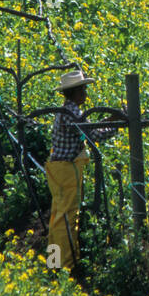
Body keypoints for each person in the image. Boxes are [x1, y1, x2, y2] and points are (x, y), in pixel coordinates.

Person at [45, 68, 118, 273]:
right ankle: (66, 266)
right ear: (75, 92)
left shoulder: (67, 111)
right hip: (66, 169)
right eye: (83, 89)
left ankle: (54, 263)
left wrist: (111, 120)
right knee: (67, 218)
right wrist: (116, 124)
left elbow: (87, 128)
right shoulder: (72, 112)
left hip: (57, 167)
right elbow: (93, 135)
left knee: (57, 216)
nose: (86, 93)